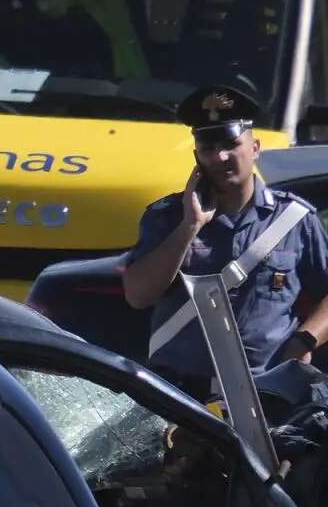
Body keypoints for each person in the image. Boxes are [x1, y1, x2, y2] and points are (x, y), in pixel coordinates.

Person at [119, 83, 328, 388]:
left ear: (254, 148)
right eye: (208, 148)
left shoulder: (294, 219)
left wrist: (304, 342)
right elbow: (138, 295)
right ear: (196, 155)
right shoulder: (167, 217)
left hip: (265, 393)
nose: (219, 157)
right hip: (180, 395)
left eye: (230, 145)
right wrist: (190, 226)